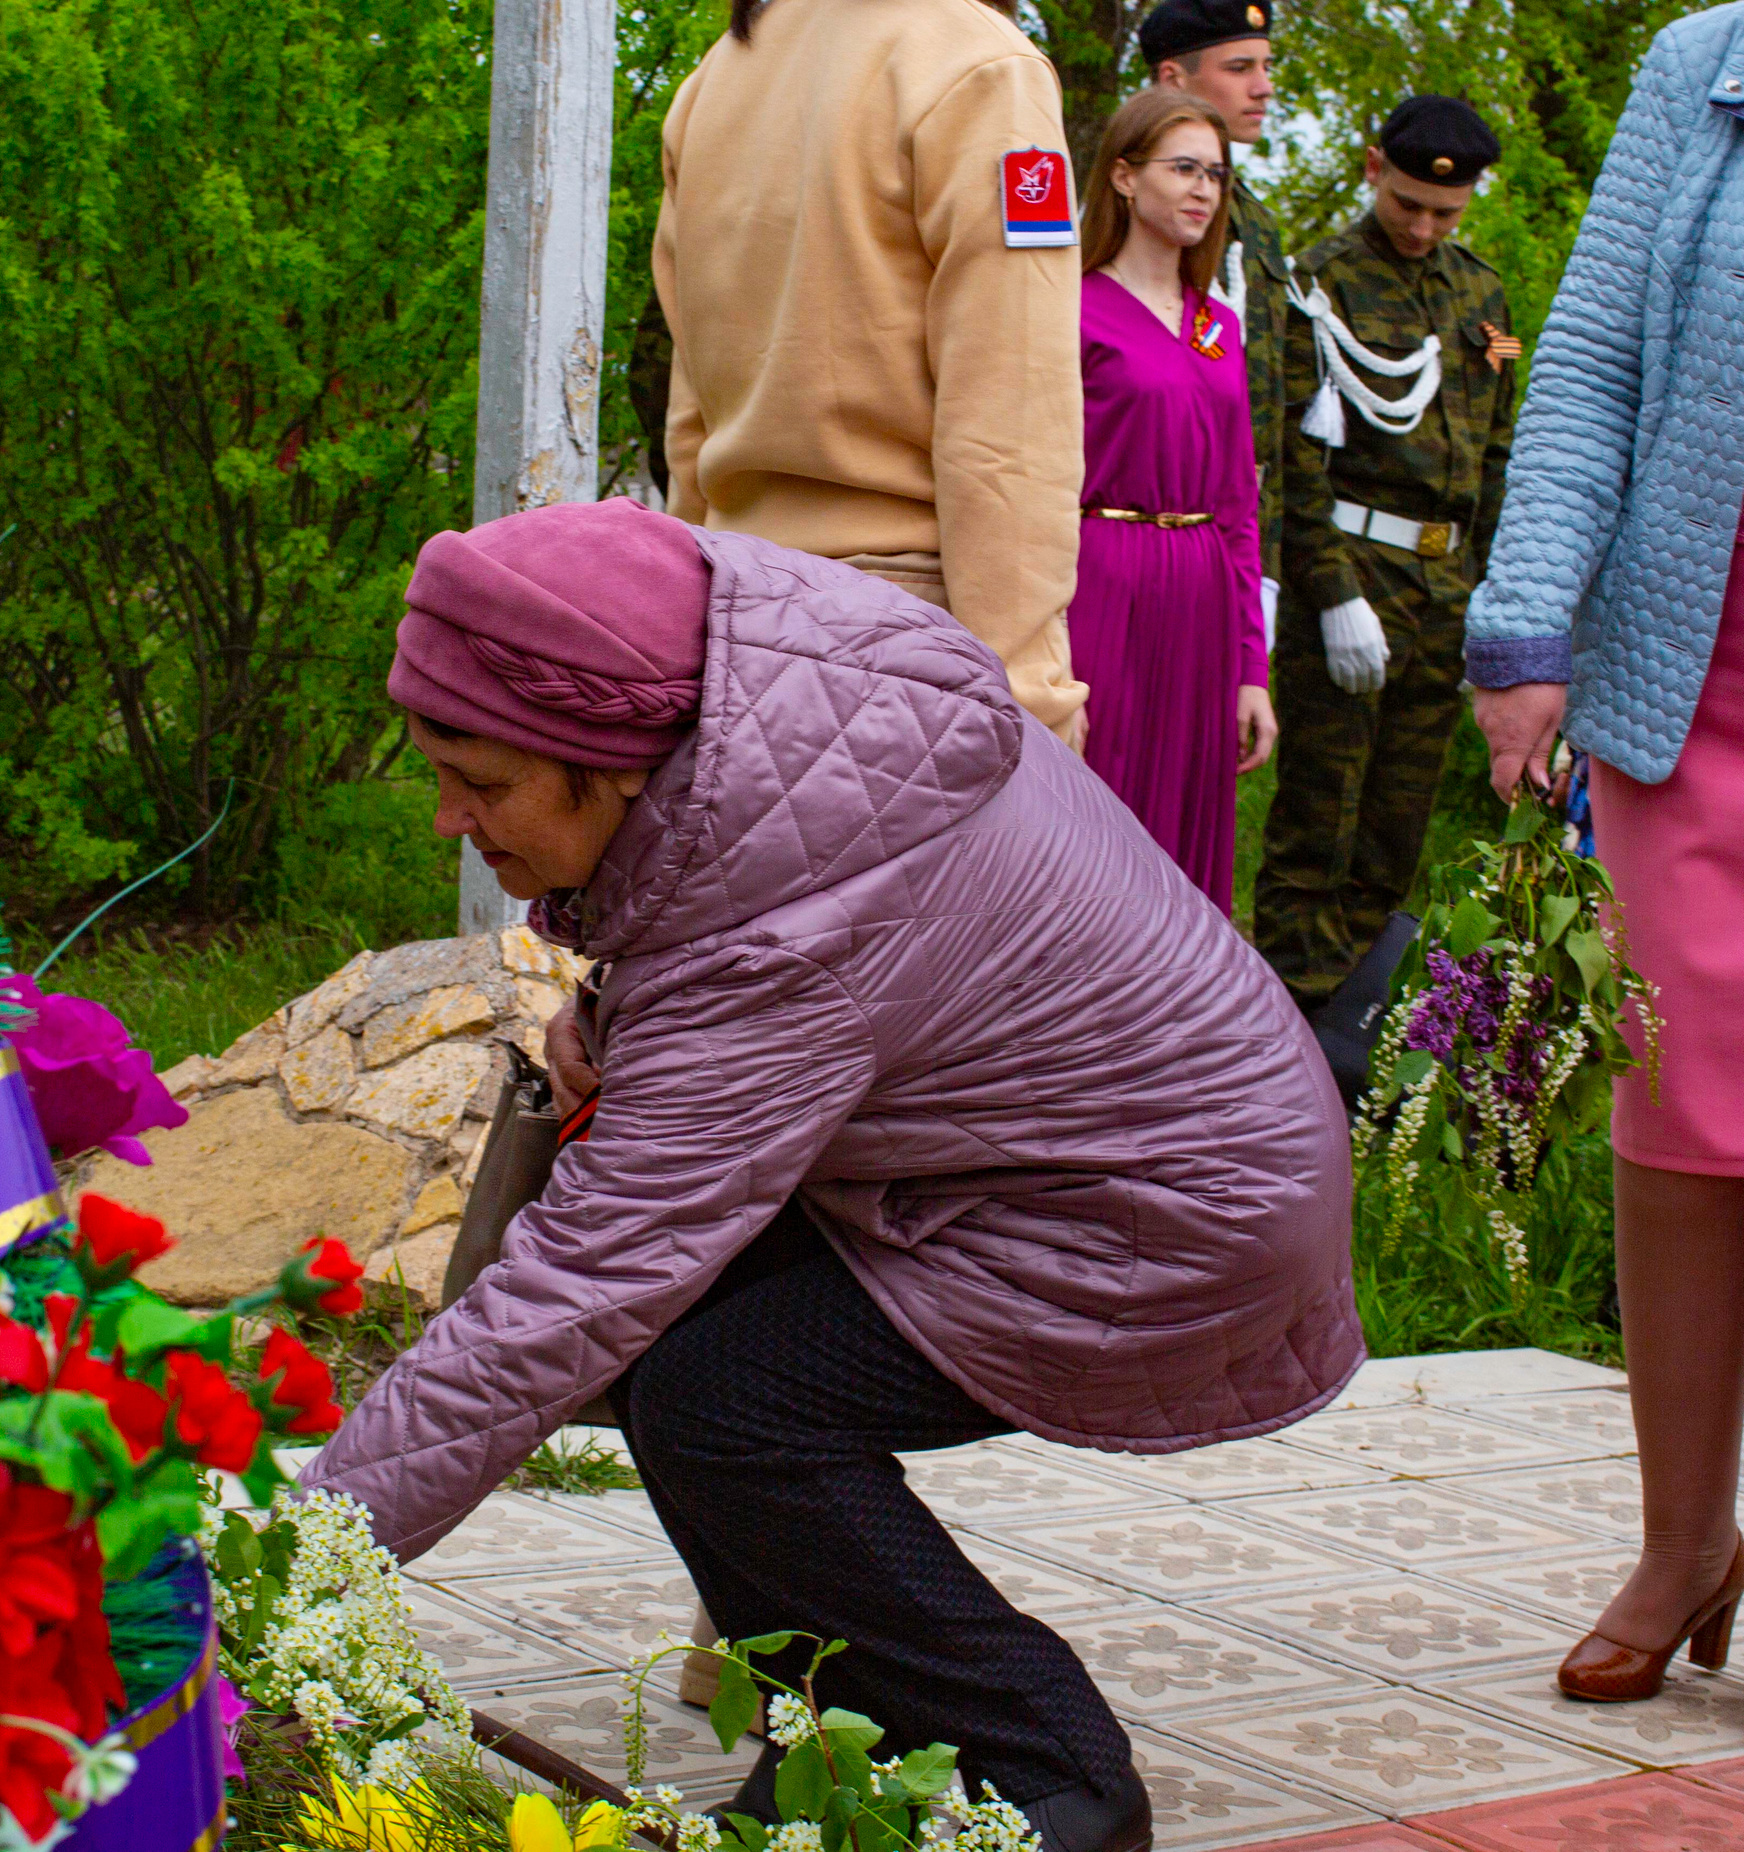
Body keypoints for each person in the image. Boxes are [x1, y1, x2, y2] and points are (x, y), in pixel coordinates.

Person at [301, 496, 1362, 1851]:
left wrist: (306, 1567)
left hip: (1164, 1211)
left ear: (614, 760)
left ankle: (1047, 1771)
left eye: (488, 786)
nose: (451, 817)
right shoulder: (766, 683)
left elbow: (572, 1290)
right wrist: (619, 1014)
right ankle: (845, 1746)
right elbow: (733, 919)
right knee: (689, 1359)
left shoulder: (789, 930)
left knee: (721, 1398)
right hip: (1095, 1148)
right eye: (436, 769)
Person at [1466, 9, 1744, 1705]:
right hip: (1693, 680)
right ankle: (1678, 1531)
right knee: (1685, 1101)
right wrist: (1524, 629)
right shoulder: (1699, 69)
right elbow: (1583, 369)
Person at [650, 0, 1088, 749]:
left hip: (736, 627)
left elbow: (691, 415)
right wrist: (1027, 699)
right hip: (910, 646)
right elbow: (1013, 421)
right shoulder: (982, 67)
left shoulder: (714, 81)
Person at [1252, 96, 1516, 1009]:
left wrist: (1493, 588)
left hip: (1445, 587)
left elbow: (1497, 450)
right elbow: (1293, 452)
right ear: (1373, 170)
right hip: (1356, 576)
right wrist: (1327, 592)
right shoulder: (1318, 283)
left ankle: (1358, 1026)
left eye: (1445, 211)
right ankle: (1286, 1026)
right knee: (1319, 815)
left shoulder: (1480, 292)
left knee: (1399, 823)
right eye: (1408, 202)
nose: (1422, 224)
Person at [1068, 91, 1274, 906]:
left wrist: (1250, 670)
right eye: (1182, 168)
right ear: (1122, 176)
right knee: (1096, 810)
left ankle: (1174, 1022)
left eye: (1215, 175)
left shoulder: (1217, 326)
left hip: (1200, 602)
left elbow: (1238, 506)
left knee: (1185, 836)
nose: (1203, 190)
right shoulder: (1071, 308)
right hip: (1102, 578)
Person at [1142, 0, 1287, 642]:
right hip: (1133, 534)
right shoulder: (1110, 208)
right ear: (1172, 78)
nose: (1264, 86)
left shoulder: (1256, 223)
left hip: (1230, 538)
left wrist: (1266, 569)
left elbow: (1271, 410)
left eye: (1265, 65)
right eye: (1238, 67)